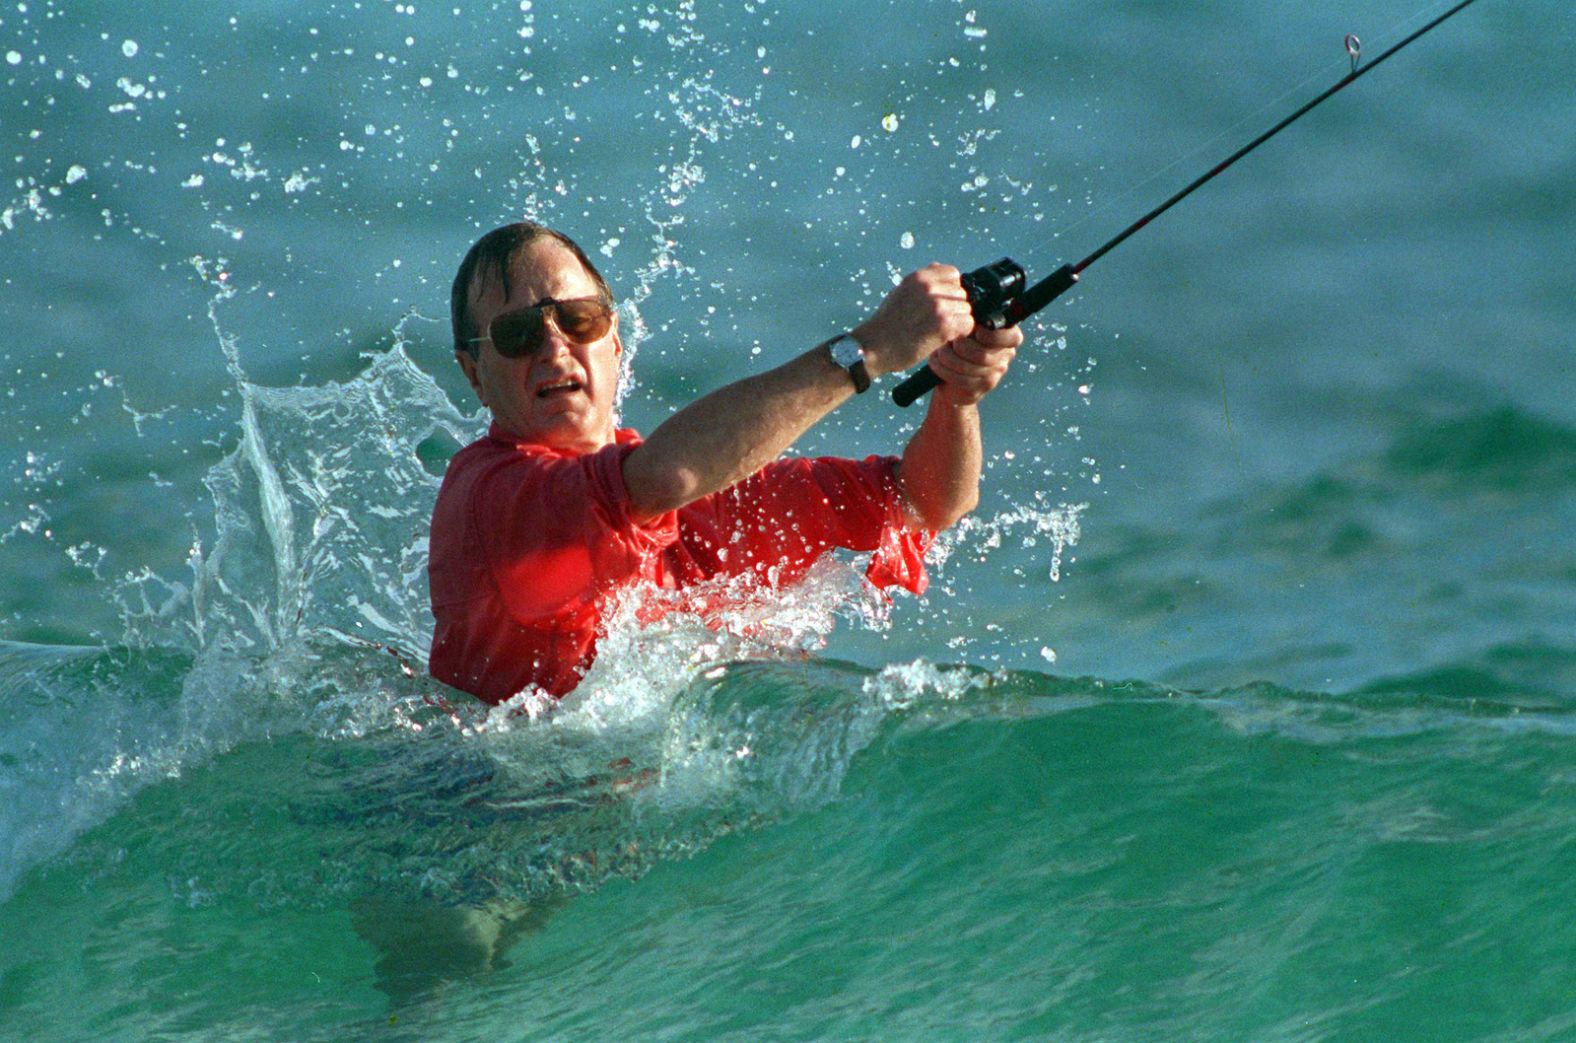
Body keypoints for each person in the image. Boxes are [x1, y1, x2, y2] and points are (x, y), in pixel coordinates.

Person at [427, 221, 1022, 704]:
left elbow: (925, 501)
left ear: (614, 343)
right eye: (518, 333)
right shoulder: (492, 495)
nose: (555, 346)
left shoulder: (702, 502)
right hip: (485, 814)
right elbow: (661, 479)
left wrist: (956, 397)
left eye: (579, 319)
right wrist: (867, 350)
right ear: (474, 374)